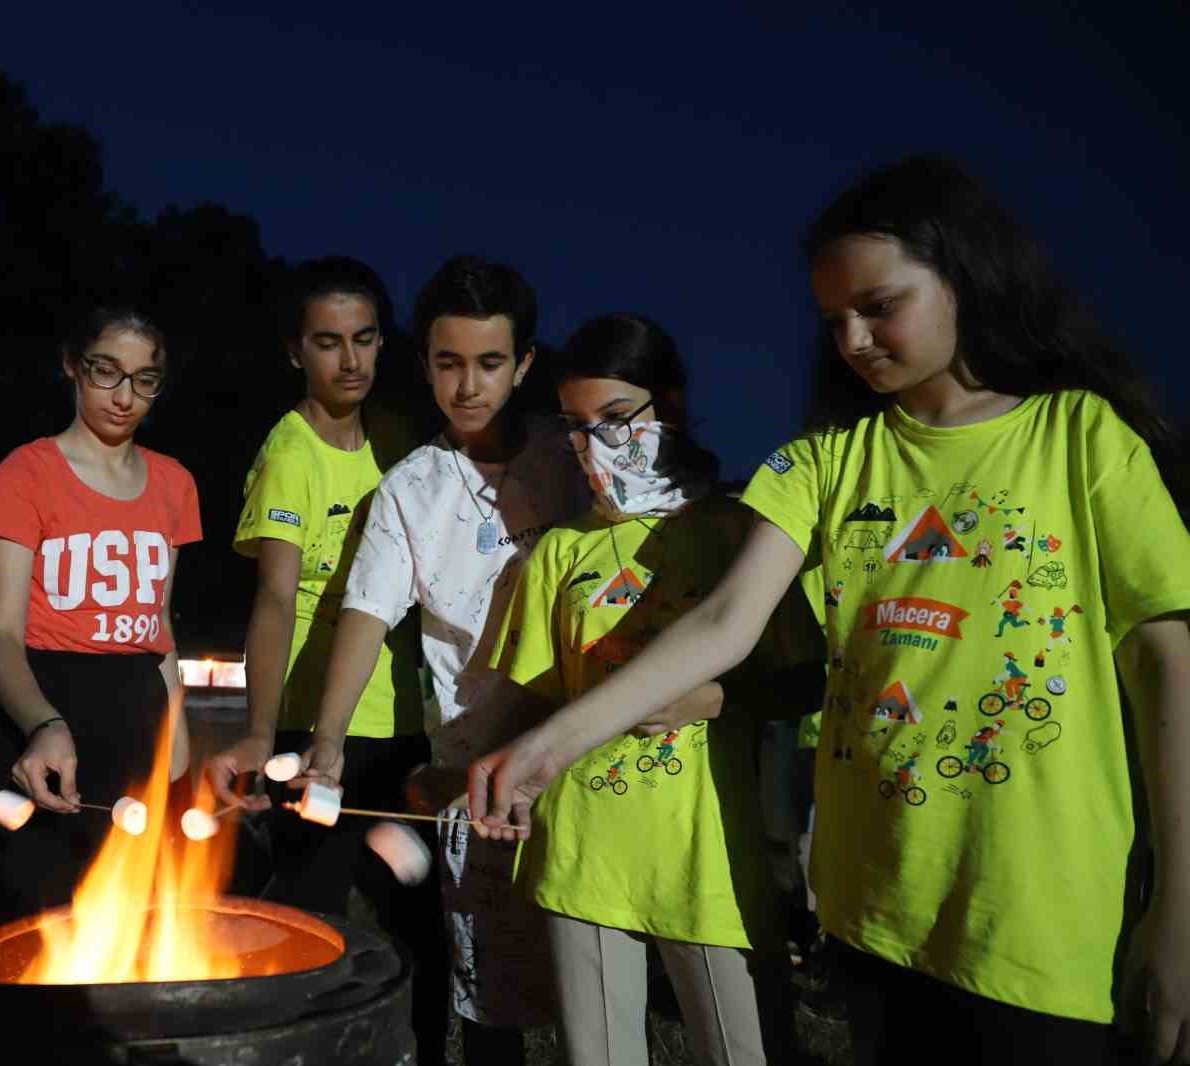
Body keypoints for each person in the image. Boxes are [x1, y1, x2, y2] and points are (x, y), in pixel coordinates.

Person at [470, 157, 1190, 1066]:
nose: (852, 339)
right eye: (833, 320)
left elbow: (1166, 661)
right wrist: (546, 747)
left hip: (1039, 920)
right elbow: (724, 622)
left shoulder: (1079, 437)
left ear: (966, 279)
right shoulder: (824, 462)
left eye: (879, 306)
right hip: (873, 912)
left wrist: (1180, 905)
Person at [484, 312, 824, 1066]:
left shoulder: (743, 532)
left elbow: (804, 680)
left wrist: (713, 698)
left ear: (666, 405)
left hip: (707, 859)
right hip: (583, 857)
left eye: (614, 417)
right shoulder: (560, 553)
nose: (594, 444)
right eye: (575, 426)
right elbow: (538, 704)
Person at [292, 256, 584, 1061]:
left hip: (588, 754)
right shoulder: (411, 490)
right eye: (448, 363)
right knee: (492, 1001)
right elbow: (364, 612)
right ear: (423, 364)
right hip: (476, 777)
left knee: (593, 988)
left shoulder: (574, 460)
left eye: (490, 363)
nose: (467, 386)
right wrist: (327, 742)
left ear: (524, 364)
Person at [204, 257, 440, 1061]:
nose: (352, 361)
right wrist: (258, 733)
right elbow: (272, 600)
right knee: (307, 912)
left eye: (366, 339)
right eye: (329, 342)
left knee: (420, 910)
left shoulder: (400, 438)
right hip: (312, 729)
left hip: (402, 720)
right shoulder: (289, 454)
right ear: (295, 352)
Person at [0, 307, 199, 914]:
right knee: (23, 920)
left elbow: (158, 625)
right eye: (106, 373)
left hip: (134, 709)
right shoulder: (27, 473)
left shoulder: (175, 484)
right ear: (73, 367)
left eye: (145, 380)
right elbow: (0, 635)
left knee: (130, 923)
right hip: (37, 701)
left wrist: (178, 733)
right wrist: (43, 723)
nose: (125, 397)